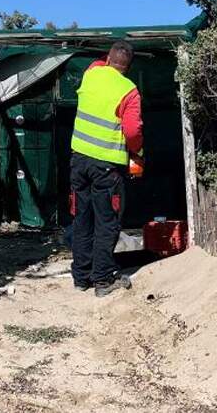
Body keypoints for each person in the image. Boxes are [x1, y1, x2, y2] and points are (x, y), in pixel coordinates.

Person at [69, 40, 143, 297]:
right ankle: (102, 280)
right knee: (107, 222)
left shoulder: (91, 74)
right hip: (107, 167)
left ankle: (81, 277)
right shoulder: (129, 91)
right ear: (128, 67)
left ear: (108, 59)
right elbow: (132, 131)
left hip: (79, 160)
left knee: (82, 218)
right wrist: (137, 151)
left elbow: (98, 63)